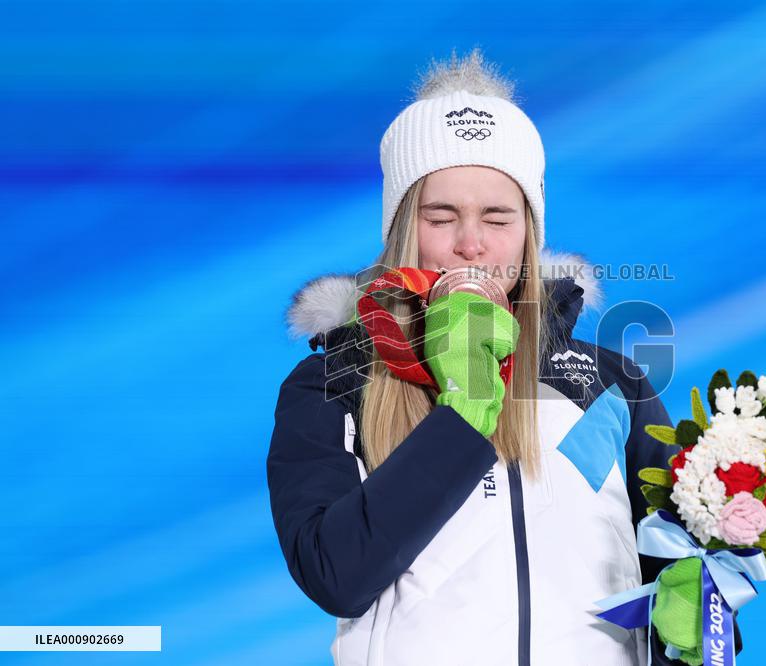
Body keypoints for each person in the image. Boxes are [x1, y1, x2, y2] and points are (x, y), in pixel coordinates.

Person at [266, 48, 741, 666]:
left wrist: (700, 614)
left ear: (528, 233)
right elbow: (336, 575)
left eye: (497, 218)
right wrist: (464, 411)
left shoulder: (608, 383)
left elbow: (678, 578)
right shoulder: (337, 382)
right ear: (403, 228)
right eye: (441, 217)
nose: (471, 244)